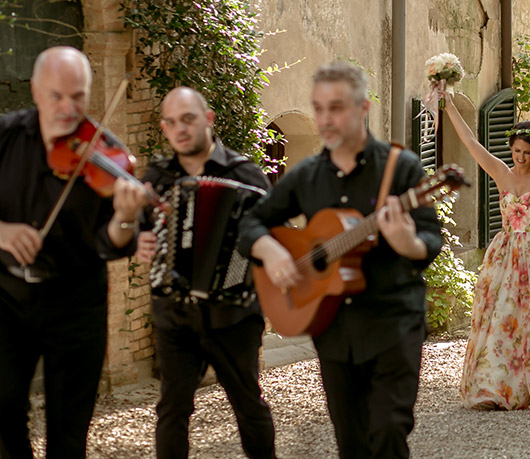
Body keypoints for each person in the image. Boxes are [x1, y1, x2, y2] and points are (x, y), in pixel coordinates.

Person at [239, 62, 442, 458]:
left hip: (393, 322)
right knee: (350, 444)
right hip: (333, 329)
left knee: (387, 434)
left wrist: (407, 242)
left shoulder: (401, 168)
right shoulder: (308, 176)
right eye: (319, 109)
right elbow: (252, 222)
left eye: (337, 108)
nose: (326, 119)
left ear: (363, 108)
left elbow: (429, 238)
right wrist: (271, 249)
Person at [0, 47, 145, 458]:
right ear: (35, 91)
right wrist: (3, 231)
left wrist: (125, 218)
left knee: (69, 431)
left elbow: (111, 243)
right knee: (3, 409)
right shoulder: (6, 136)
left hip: (76, 301)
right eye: (57, 96)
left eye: (78, 96)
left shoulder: (108, 155)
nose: (69, 108)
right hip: (7, 298)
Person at [134, 87, 276, 459]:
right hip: (175, 315)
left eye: (188, 119)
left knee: (248, 405)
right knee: (172, 409)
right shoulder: (158, 177)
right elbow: (140, 229)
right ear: (165, 128)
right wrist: (143, 240)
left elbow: (269, 235)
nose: (180, 128)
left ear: (208, 120)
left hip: (233, 314)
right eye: (172, 122)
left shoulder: (245, 175)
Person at [441, 88, 530, 410]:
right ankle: (493, 391)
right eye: (516, 150)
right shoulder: (501, 174)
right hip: (505, 257)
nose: (520, 157)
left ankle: (529, 388)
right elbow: (471, 144)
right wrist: (449, 104)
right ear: (511, 148)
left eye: (526, 152)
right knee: (501, 319)